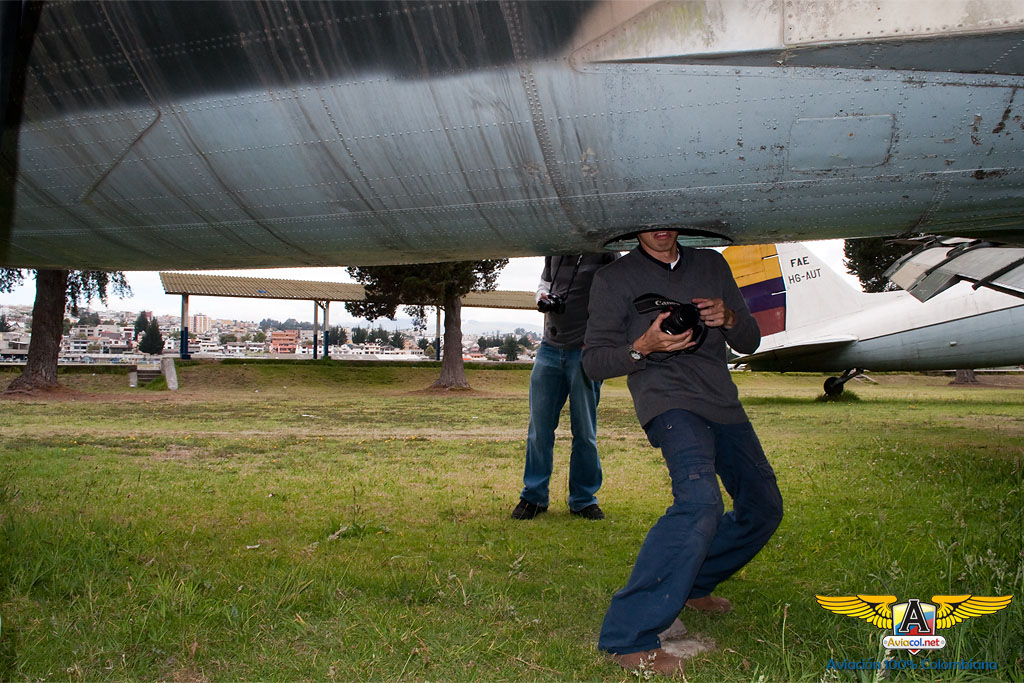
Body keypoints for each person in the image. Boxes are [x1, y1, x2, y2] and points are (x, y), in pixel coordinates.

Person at [581, 229, 784, 676]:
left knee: (764, 507)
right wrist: (643, 347)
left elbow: (750, 341)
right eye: (650, 220)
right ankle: (627, 636)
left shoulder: (711, 263)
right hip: (667, 399)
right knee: (699, 503)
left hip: (721, 400)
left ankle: (694, 582)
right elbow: (593, 362)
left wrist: (729, 317)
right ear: (635, 225)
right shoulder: (614, 278)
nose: (661, 227)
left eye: (669, 218)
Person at [511, 252, 618, 521]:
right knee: (539, 430)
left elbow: (617, 297)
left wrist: (599, 341)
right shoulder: (556, 248)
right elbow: (545, 283)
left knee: (585, 431)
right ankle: (533, 497)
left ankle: (583, 500)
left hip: (584, 352)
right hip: (549, 348)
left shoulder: (605, 252)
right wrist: (542, 296)